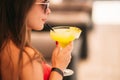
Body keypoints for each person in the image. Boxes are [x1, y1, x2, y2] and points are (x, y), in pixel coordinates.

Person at [0, 0, 73, 80]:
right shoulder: (28, 58)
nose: (49, 11)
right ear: (23, 6)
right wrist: (58, 68)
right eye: (44, 4)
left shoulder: (5, 44)